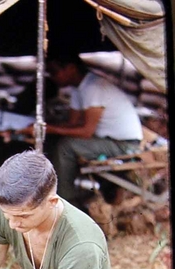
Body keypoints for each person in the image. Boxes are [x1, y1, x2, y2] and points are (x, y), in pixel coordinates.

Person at [45, 54, 143, 209]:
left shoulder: (93, 87)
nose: (52, 77)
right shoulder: (79, 88)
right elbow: (72, 123)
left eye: (54, 71)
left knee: (66, 146)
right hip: (109, 140)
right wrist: (48, 129)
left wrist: (48, 128)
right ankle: (59, 191)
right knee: (57, 140)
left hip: (124, 144)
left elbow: (86, 132)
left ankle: (67, 200)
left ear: (71, 68)